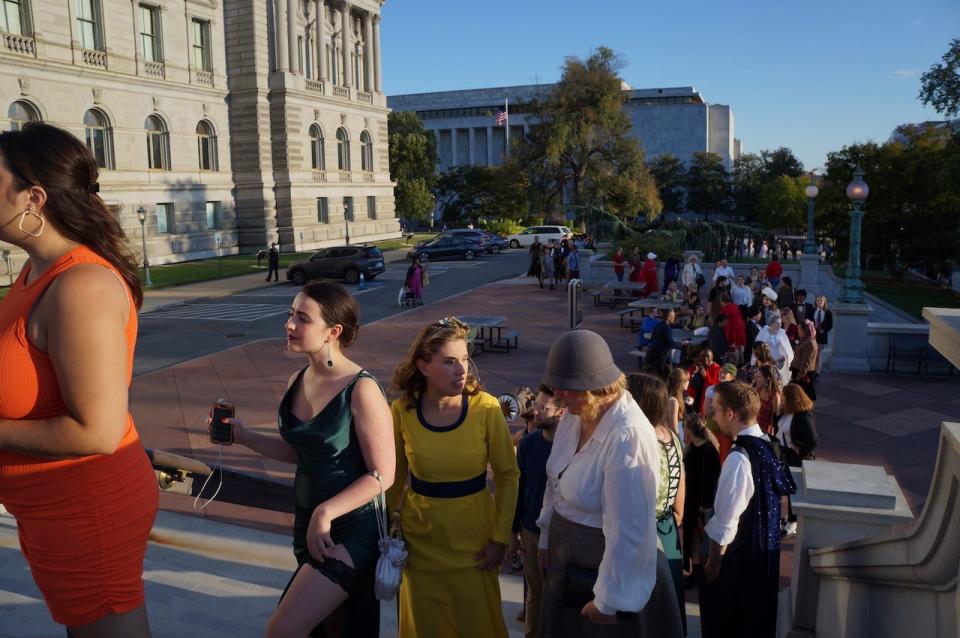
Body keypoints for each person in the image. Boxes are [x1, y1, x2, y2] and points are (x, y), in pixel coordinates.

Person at [0, 123, 158, 637]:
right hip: (49, 509)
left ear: (33, 198)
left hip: (88, 509)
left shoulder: (81, 285)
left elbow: (98, 431)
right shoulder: (33, 274)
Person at [219, 282, 395, 637]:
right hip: (311, 529)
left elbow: (382, 475)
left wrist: (325, 512)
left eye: (302, 318)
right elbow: (301, 452)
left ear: (333, 332)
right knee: (332, 629)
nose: (289, 324)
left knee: (282, 629)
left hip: (349, 530)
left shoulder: (361, 388)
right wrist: (243, 436)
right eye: (290, 315)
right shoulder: (296, 380)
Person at [537, 330, 683, 636]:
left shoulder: (627, 435)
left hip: (606, 577)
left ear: (595, 388)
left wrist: (608, 602)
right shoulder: (577, 416)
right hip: (570, 567)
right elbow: (555, 479)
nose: (558, 394)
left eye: (566, 387)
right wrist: (546, 534)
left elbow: (630, 529)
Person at [387, 317, 519, 638]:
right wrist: (389, 525)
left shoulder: (486, 408)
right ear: (423, 366)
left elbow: (508, 476)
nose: (462, 370)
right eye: (449, 362)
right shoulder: (402, 411)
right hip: (420, 548)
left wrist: (500, 539)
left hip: (475, 549)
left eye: (464, 359)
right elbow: (393, 475)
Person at [699, 382, 796, 638]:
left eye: (716, 410)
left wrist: (713, 564)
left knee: (729, 624)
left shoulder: (739, 458)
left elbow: (725, 522)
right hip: (763, 557)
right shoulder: (768, 444)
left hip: (740, 563)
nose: (713, 416)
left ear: (730, 414)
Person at [627, 373, 687, 636]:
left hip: (641, 534)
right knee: (669, 608)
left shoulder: (637, 441)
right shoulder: (673, 438)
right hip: (669, 531)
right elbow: (680, 507)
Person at [512, 386, 566, 638]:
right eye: (536, 406)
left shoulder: (572, 447)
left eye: (543, 408)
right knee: (534, 594)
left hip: (562, 535)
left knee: (559, 594)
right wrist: (513, 532)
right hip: (531, 531)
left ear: (561, 412)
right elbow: (518, 489)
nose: (535, 412)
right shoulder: (528, 444)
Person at [680, 413, 720, 587]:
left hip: (699, 503)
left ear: (688, 429)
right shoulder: (694, 447)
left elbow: (709, 481)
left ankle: (698, 572)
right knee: (692, 537)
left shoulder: (708, 451)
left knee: (698, 537)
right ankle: (694, 569)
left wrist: (704, 505)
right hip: (690, 499)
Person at [777, 384, 818, 538]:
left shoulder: (803, 415)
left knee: (793, 491)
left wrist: (800, 453)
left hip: (796, 458)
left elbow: (813, 440)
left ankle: (793, 523)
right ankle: (790, 519)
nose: (782, 398)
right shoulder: (787, 412)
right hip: (784, 454)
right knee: (788, 489)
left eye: (784, 396)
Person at [645, 307, 685, 380]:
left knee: (656, 376)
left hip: (653, 353)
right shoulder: (667, 328)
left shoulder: (658, 324)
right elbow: (670, 343)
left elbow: (652, 338)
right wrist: (681, 344)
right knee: (665, 377)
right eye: (673, 316)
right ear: (669, 317)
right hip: (662, 356)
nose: (674, 318)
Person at [756, 313, 793, 384]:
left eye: (780, 323)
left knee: (778, 382)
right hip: (767, 362)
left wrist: (788, 361)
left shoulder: (782, 334)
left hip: (780, 364)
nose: (779, 325)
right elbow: (758, 346)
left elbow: (788, 349)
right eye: (777, 323)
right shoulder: (764, 332)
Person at [790, 320, 819, 401]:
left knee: (801, 398)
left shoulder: (809, 342)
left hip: (803, 374)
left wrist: (798, 377)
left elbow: (806, 362)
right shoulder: (806, 340)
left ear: (805, 330)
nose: (798, 331)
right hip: (800, 372)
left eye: (799, 329)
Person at [751, 364, 782, 437]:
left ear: (767, 379)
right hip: (754, 427)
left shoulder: (775, 396)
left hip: (765, 432)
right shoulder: (758, 389)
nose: (755, 378)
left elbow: (775, 420)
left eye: (758, 377)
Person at [667, 367, 692, 441]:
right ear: (681, 383)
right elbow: (673, 427)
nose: (689, 382)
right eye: (687, 380)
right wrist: (680, 445)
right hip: (676, 436)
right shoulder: (673, 401)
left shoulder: (675, 398)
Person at [813, 295, 833, 372]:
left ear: (824, 302)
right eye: (818, 301)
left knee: (819, 353)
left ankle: (817, 371)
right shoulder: (812, 311)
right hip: (812, 335)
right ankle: (812, 369)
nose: (819, 302)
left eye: (821, 301)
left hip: (822, 335)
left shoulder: (828, 313)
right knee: (813, 353)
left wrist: (824, 330)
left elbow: (830, 325)